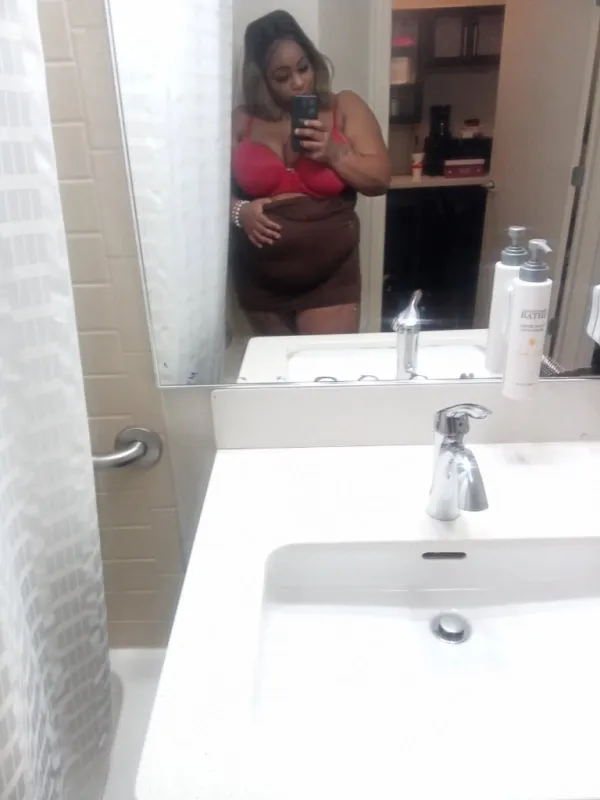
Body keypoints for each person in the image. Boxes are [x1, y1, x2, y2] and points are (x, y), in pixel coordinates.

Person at [230, 9, 391, 336]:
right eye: (282, 76)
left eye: (303, 67)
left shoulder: (344, 106)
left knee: (326, 367)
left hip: (330, 280)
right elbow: (204, 193)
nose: (299, 82)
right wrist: (239, 211)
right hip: (260, 282)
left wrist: (333, 154)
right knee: (276, 369)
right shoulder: (241, 120)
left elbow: (380, 179)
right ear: (260, 79)